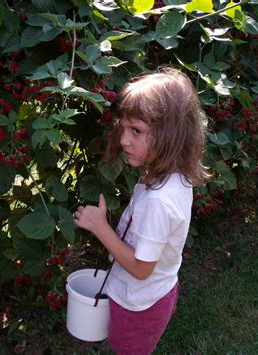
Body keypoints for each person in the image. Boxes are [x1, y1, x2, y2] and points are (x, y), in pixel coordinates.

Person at [73, 68, 208, 354]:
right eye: (123, 128)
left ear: (172, 135)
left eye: (137, 131)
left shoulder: (158, 201)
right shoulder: (174, 177)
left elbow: (140, 268)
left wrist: (100, 227)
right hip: (157, 292)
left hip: (139, 304)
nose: (123, 140)